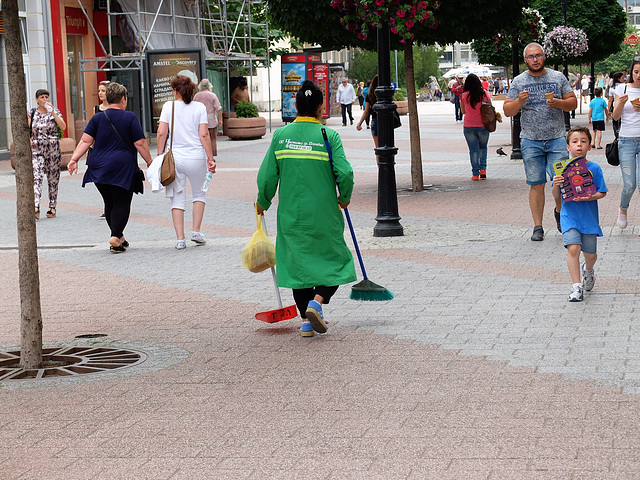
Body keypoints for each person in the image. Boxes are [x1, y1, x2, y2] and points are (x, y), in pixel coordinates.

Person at [255, 80, 356, 338]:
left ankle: (306, 322)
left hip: (291, 216)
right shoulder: (328, 136)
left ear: (296, 105)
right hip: (324, 215)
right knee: (336, 261)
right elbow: (344, 172)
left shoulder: (280, 136)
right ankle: (317, 303)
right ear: (321, 107)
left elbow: (267, 177)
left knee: (297, 267)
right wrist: (344, 197)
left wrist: (262, 201)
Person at [503, 42, 577, 241]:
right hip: (530, 141)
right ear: (525, 60)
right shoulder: (519, 81)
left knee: (561, 182)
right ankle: (538, 226)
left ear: (544, 57)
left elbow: (573, 102)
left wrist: (558, 103)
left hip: (556, 139)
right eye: (531, 57)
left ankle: (561, 214)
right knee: (536, 184)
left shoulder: (557, 77)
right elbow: (507, 110)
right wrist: (519, 101)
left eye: (538, 56)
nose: (535, 60)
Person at [67, 83, 153, 253]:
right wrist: (150, 161)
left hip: (98, 166)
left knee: (109, 202)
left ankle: (119, 238)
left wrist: (74, 159)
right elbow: (140, 142)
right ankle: (114, 237)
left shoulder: (98, 118)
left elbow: (85, 141)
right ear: (123, 99)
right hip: (122, 166)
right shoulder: (129, 117)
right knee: (122, 201)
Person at [156, 75, 216, 250]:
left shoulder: (169, 106)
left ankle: (180, 239)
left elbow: (161, 133)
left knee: (177, 198)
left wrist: (160, 156)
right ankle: (196, 231)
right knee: (199, 195)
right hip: (197, 157)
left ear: (175, 90)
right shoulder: (199, 107)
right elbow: (204, 135)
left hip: (175, 158)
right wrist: (210, 158)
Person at [551, 126, 607, 302]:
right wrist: (556, 184)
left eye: (583, 141)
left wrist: (591, 196)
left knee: (590, 254)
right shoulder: (561, 169)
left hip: (588, 217)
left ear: (590, 146)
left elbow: (602, 192)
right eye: (574, 142)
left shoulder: (594, 168)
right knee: (573, 247)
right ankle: (576, 286)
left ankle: (588, 270)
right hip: (569, 216)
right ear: (568, 147)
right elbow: (556, 195)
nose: (579, 145)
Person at [28, 89, 67, 219]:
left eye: (46, 97)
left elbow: (63, 126)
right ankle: (36, 205)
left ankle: (52, 206)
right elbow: (27, 130)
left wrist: (53, 113)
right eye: (42, 97)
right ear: (37, 100)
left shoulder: (54, 112)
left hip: (52, 149)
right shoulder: (32, 113)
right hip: (37, 149)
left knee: (53, 178)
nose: (45, 99)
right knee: (36, 175)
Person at [612, 58, 640, 231]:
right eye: (636, 72)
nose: (639, 76)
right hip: (626, 140)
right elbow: (615, 117)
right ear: (631, 72)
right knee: (630, 184)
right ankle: (623, 209)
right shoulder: (621, 88)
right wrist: (620, 103)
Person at [460, 73, 492, 180]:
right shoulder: (484, 94)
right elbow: (490, 107)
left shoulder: (464, 96)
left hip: (469, 126)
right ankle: (483, 169)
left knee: (473, 150)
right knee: (483, 147)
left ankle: (475, 174)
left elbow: (463, 111)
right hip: (483, 125)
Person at [193, 79, 223, 157]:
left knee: (201, 138)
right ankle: (212, 155)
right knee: (212, 138)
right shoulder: (212, 95)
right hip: (211, 120)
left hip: (199, 121)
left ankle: (203, 155)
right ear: (209, 85)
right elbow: (218, 108)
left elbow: (193, 108)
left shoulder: (197, 95)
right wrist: (220, 119)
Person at [356, 75, 379, 164]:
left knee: (378, 149)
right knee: (387, 147)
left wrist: (359, 123)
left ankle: (380, 170)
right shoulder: (385, 92)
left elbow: (366, 112)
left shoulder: (370, 95)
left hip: (375, 121)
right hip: (385, 122)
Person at [608, 72, 624, 139]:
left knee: (615, 121)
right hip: (623, 106)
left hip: (615, 106)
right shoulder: (624, 87)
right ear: (618, 79)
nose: (624, 79)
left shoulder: (612, 88)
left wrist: (608, 110)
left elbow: (610, 100)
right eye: (622, 78)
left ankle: (616, 135)